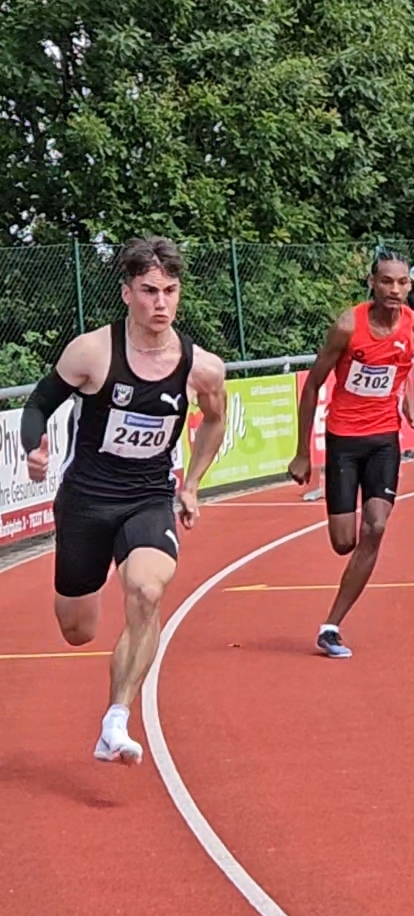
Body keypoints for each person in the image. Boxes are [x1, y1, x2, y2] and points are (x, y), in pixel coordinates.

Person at [18, 237, 229, 765]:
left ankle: (116, 719)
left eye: (171, 291)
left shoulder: (202, 368)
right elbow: (38, 405)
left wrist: (192, 483)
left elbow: (215, 422)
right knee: (77, 630)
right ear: (127, 293)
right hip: (86, 500)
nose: (161, 303)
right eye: (149, 291)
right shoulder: (92, 352)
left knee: (147, 589)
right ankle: (89, 599)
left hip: (149, 498)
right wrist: (33, 447)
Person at [287, 250, 414, 657]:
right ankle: (342, 579)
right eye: (387, 281)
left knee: (376, 525)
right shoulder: (346, 327)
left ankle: (331, 624)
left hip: (384, 440)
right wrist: (303, 453)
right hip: (343, 440)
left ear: (411, 286)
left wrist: (409, 406)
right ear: (372, 283)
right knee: (344, 541)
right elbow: (312, 387)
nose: (395, 289)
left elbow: (405, 365)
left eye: (402, 282)